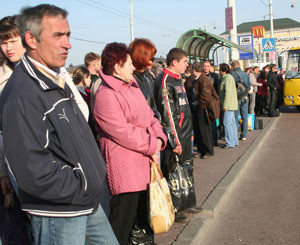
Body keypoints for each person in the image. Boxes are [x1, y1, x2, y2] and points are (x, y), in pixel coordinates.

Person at [0, 4, 117, 244]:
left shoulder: (55, 78)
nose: (68, 44)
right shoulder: (22, 93)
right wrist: (79, 185)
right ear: (31, 39)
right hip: (60, 210)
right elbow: (31, 167)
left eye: (68, 35)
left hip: (85, 201)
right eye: (58, 36)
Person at [93, 42, 167, 245]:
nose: (133, 67)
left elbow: (151, 117)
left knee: (144, 222)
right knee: (122, 224)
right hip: (125, 169)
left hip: (144, 165)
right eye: (129, 64)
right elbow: (123, 132)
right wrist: (153, 144)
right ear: (117, 66)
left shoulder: (132, 87)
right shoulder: (106, 95)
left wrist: (160, 137)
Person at [128, 38, 160, 244]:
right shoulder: (132, 80)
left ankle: (146, 234)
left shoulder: (147, 78)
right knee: (138, 197)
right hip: (140, 144)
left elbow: (153, 108)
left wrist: (159, 133)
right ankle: (138, 234)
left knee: (150, 192)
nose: (154, 61)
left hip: (152, 138)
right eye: (151, 56)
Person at [192, 63, 220, 159]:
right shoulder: (198, 79)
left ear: (194, 70)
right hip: (200, 108)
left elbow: (205, 96)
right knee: (200, 130)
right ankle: (202, 150)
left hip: (204, 109)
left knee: (205, 131)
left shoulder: (204, 80)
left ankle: (208, 151)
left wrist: (198, 105)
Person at [219, 63, 239, 148]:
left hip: (229, 104)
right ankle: (234, 140)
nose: (219, 71)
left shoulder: (227, 78)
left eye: (220, 69)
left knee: (226, 123)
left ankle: (229, 142)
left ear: (223, 71)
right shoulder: (229, 77)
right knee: (231, 123)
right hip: (232, 103)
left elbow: (228, 92)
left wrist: (225, 105)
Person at [231, 60, 250, 141]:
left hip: (236, 98)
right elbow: (248, 87)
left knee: (235, 116)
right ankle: (244, 135)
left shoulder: (232, 74)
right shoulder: (245, 75)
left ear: (232, 67)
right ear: (239, 65)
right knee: (244, 117)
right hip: (245, 97)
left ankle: (235, 135)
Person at [203, 60, 220, 146]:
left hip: (212, 102)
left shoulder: (214, 77)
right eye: (204, 66)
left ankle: (214, 140)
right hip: (203, 103)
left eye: (207, 66)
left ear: (210, 67)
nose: (206, 68)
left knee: (213, 121)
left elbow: (217, 91)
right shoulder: (200, 76)